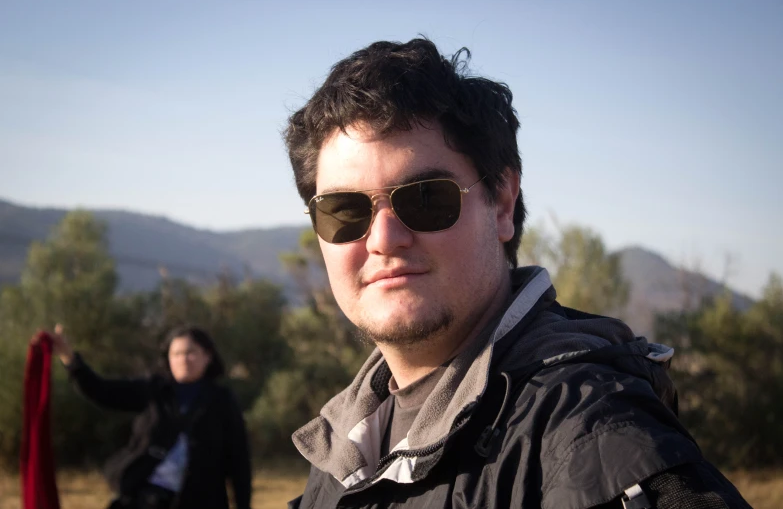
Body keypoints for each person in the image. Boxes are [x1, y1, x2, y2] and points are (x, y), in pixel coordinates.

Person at [283, 38, 751, 508]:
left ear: (502, 203)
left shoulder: (594, 434)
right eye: (344, 210)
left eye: (426, 198)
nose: (384, 238)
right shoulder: (341, 447)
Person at [46, 324, 251, 509]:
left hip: (202, 500)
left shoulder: (222, 400)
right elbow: (101, 391)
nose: (183, 360)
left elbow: (239, 459)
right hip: (145, 498)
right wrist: (70, 359)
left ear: (208, 356)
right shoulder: (154, 390)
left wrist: (243, 504)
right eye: (176, 354)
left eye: (191, 353)